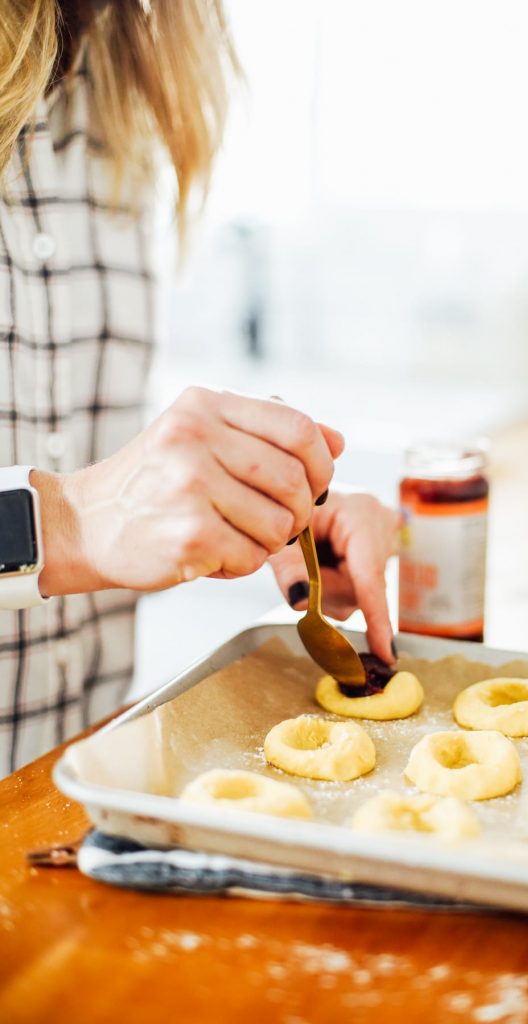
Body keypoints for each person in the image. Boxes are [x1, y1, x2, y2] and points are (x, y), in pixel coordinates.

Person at [0, 1, 399, 774]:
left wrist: (238, 504)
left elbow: (56, 444)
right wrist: (66, 524)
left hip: (66, 818)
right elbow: (77, 512)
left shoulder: (110, 85)